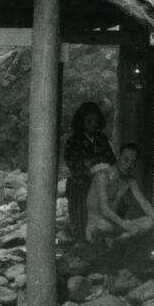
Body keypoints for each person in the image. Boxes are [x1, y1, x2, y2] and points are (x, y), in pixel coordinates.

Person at [86, 142, 154, 243]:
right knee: (105, 226)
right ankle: (121, 236)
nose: (128, 165)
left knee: (151, 221)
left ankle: (117, 238)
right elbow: (104, 209)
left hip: (116, 224)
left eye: (133, 163)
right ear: (119, 157)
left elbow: (143, 202)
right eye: (126, 160)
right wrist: (127, 225)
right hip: (98, 225)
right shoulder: (103, 176)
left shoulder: (130, 181)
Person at [64, 101, 115, 242]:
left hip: (101, 187)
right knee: (81, 225)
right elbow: (73, 164)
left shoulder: (101, 138)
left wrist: (99, 165)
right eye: (89, 120)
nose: (93, 124)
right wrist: (91, 167)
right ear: (81, 122)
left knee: (101, 224)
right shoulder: (73, 141)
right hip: (80, 188)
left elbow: (111, 159)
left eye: (96, 120)